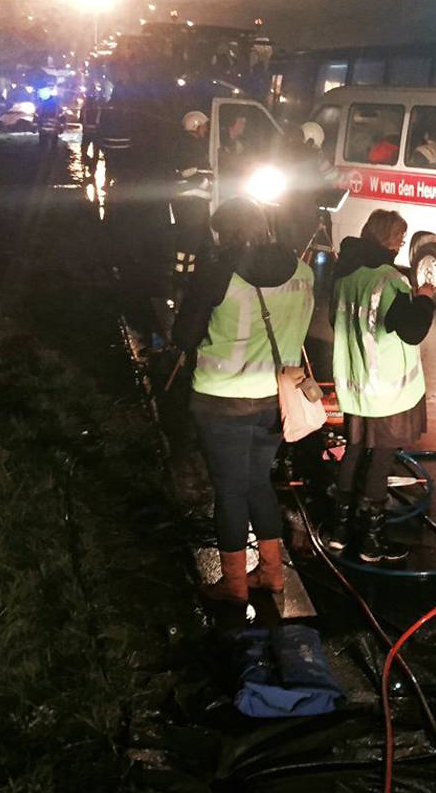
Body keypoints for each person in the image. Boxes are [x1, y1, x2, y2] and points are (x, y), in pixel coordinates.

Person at [171, 197, 315, 603]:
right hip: (275, 400)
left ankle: (234, 585)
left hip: (222, 403)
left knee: (230, 492)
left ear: (227, 232)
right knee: (257, 484)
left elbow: (183, 335)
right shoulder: (302, 271)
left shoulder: (219, 273)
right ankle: (271, 574)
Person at [326, 209, 436, 563]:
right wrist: (424, 297)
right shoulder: (389, 281)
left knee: (354, 451)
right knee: (382, 459)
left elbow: (335, 319)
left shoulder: (345, 275)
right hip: (388, 391)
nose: (401, 246)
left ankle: (340, 532)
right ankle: (373, 541)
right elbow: (412, 330)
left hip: (356, 387)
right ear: (389, 240)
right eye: (400, 240)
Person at [171, 111, 213, 284]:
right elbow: (188, 172)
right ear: (196, 126)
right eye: (204, 126)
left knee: (191, 240)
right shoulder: (190, 146)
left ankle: (185, 274)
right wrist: (206, 182)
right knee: (189, 242)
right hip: (191, 202)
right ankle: (183, 277)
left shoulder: (189, 143)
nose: (206, 129)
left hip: (191, 201)